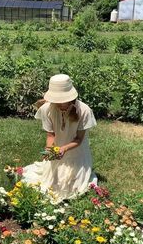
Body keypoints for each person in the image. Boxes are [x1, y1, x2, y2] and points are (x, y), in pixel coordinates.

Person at [22, 74, 97, 203]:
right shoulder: (47, 109)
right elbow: (51, 135)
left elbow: (79, 139)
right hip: (59, 150)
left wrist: (64, 148)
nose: (58, 102)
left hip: (76, 152)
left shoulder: (84, 111)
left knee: (71, 186)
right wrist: (50, 150)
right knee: (50, 183)